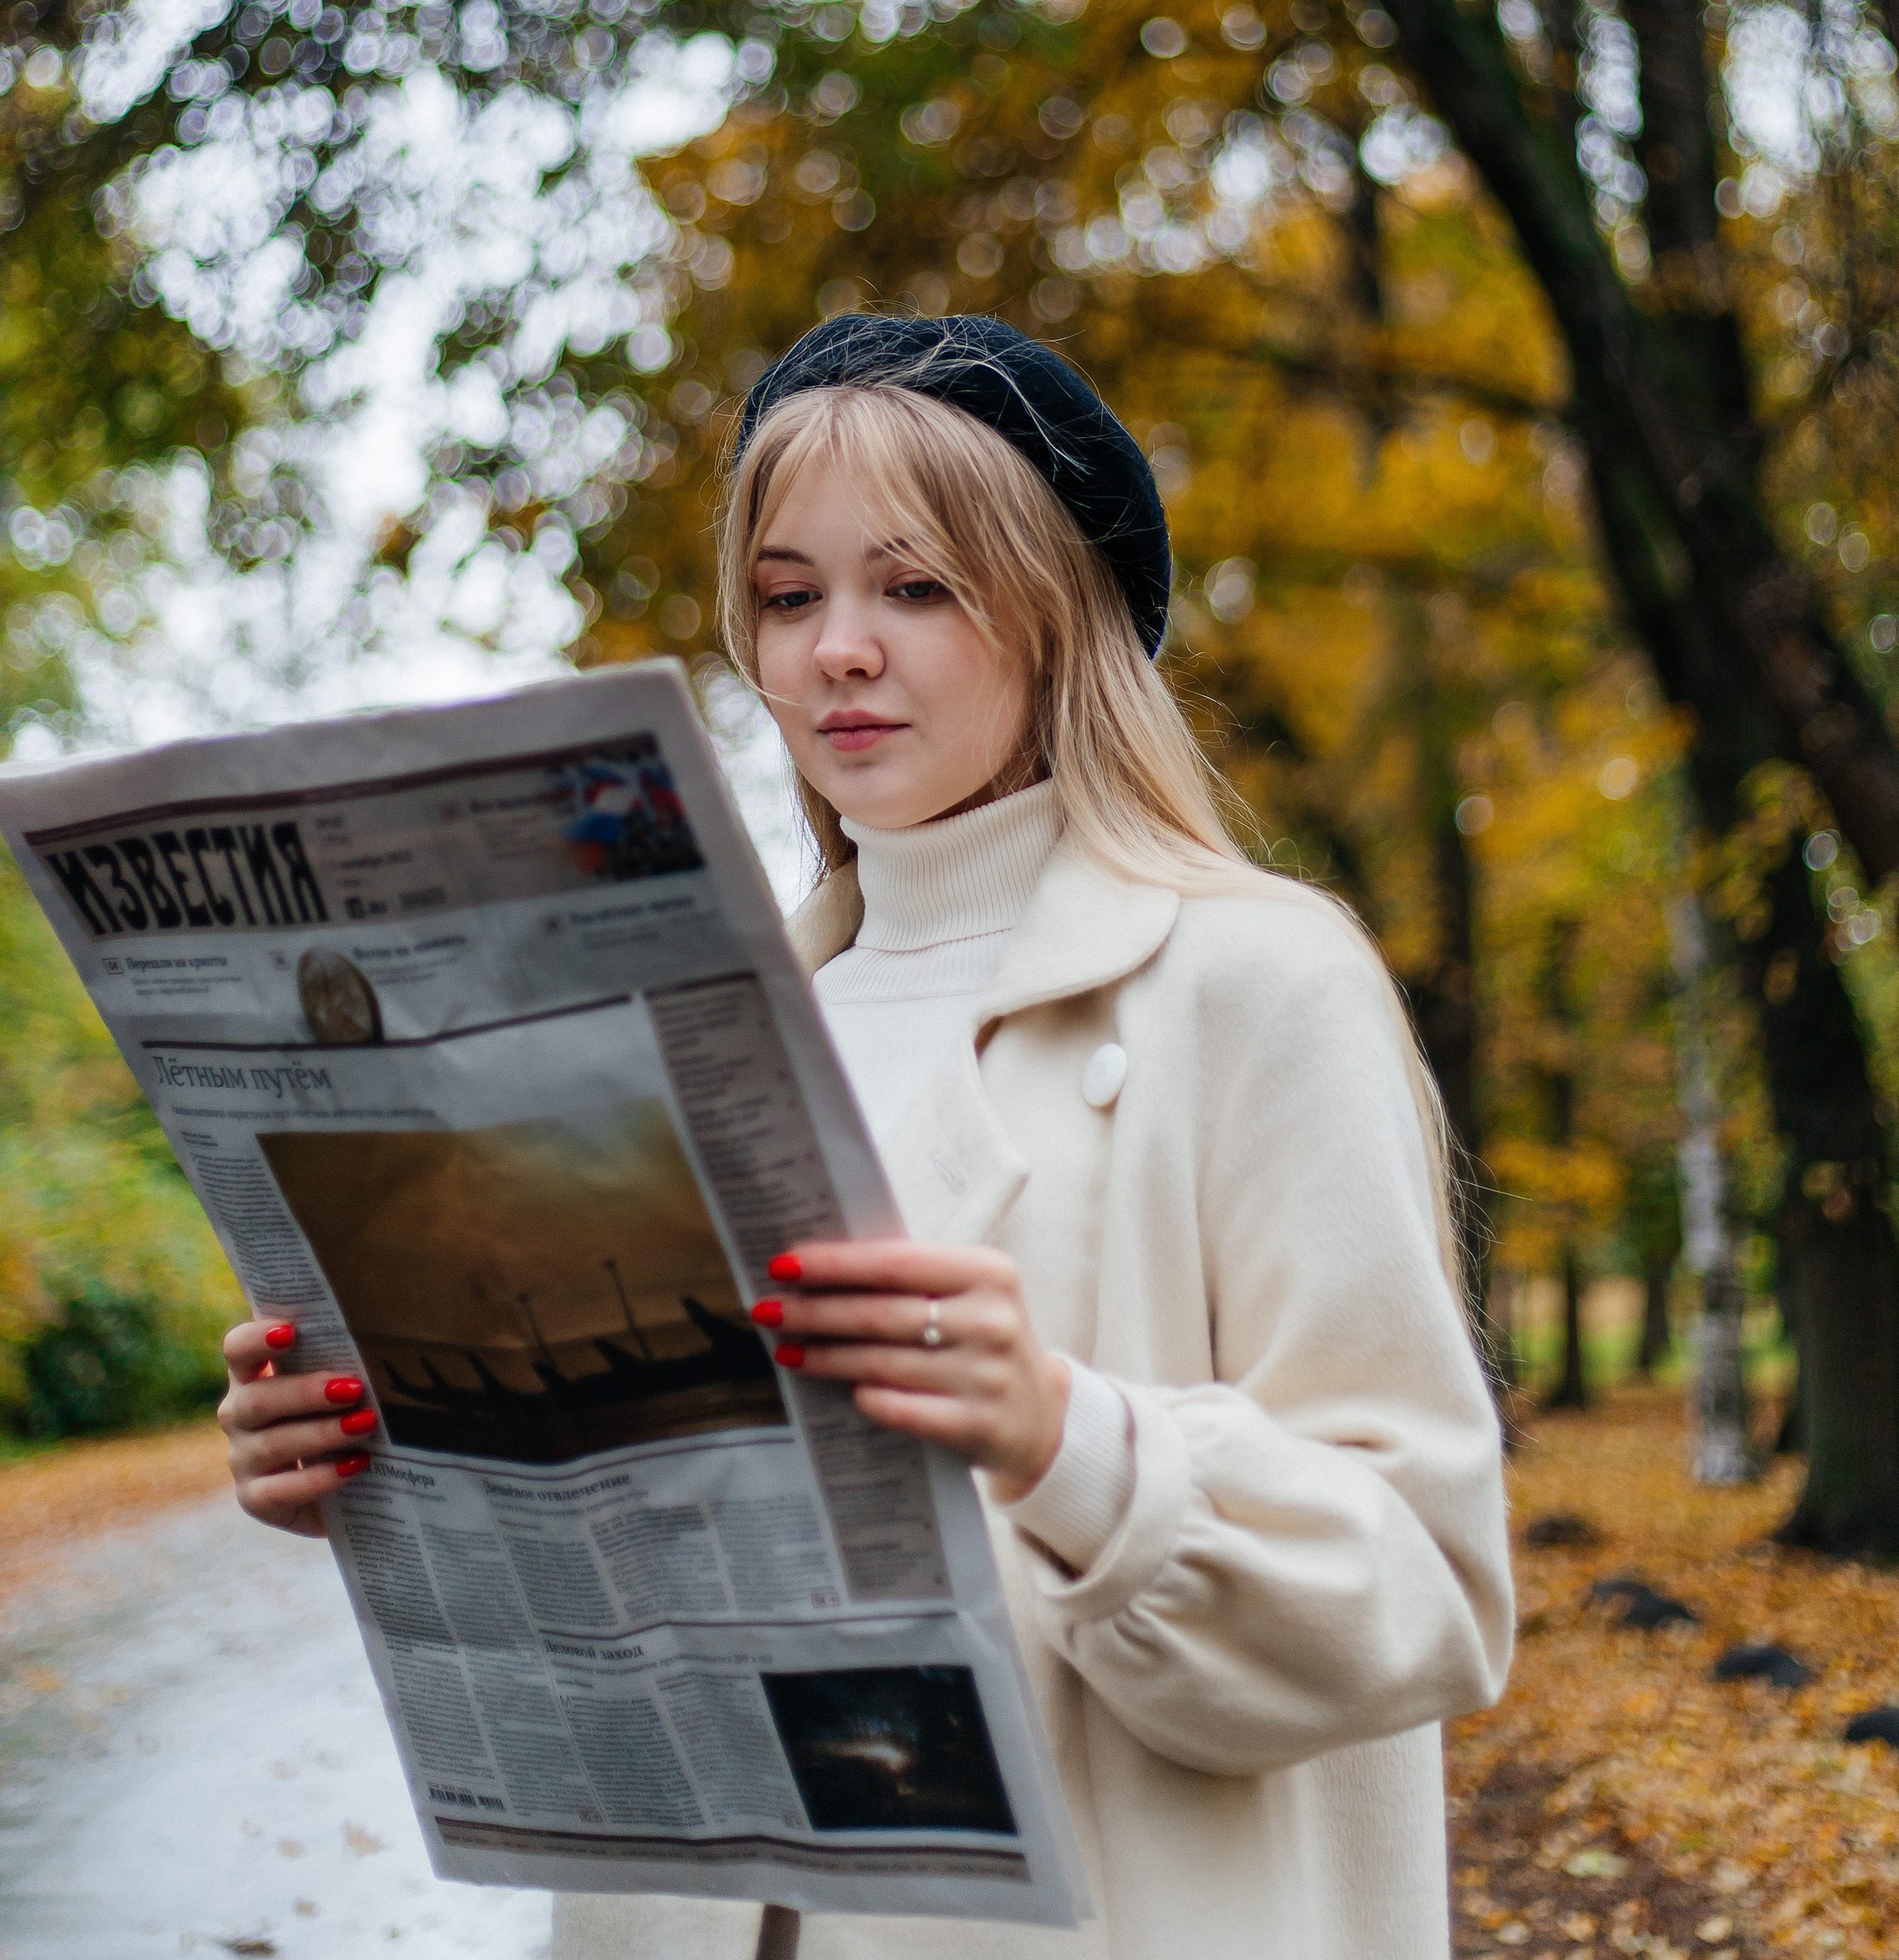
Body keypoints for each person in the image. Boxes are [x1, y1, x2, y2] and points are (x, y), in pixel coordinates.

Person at [215, 312, 1513, 1960]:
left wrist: (1066, 1439)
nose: (837, 648)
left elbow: (1427, 1587)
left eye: (916, 587)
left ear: (1061, 612)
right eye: (786, 596)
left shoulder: (1254, 979)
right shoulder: (686, 1025)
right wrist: (387, 1456)